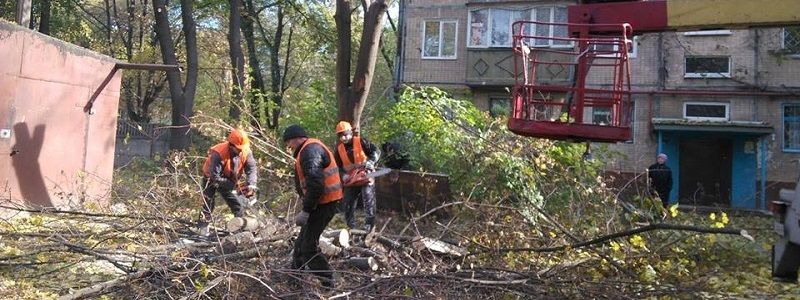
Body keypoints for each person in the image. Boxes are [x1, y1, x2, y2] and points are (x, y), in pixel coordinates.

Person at [284, 124, 342, 288]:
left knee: (308, 247)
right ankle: (295, 281)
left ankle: (329, 281)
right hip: (320, 203)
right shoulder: (308, 149)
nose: (288, 146)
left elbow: (316, 184)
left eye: (289, 142)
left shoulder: (310, 151)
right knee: (301, 244)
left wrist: (306, 211)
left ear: (296, 139)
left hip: (323, 205)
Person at [197, 128, 258, 236]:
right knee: (208, 202)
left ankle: (240, 229)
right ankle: (202, 230)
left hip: (230, 179)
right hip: (211, 178)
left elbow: (251, 169)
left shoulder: (246, 151)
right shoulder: (219, 153)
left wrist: (251, 184)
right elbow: (215, 176)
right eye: (238, 149)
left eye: (242, 149)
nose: (240, 151)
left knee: (236, 204)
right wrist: (234, 186)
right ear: (231, 145)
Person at [333, 121, 380, 232]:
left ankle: (369, 225)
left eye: (345, 134)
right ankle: (350, 225)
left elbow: (376, 151)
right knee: (348, 201)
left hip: (365, 174)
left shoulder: (361, 141)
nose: (344, 138)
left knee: (368, 199)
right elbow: (337, 166)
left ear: (350, 132)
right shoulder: (339, 149)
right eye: (341, 136)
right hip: (351, 179)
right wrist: (343, 175)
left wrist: (371, 161)